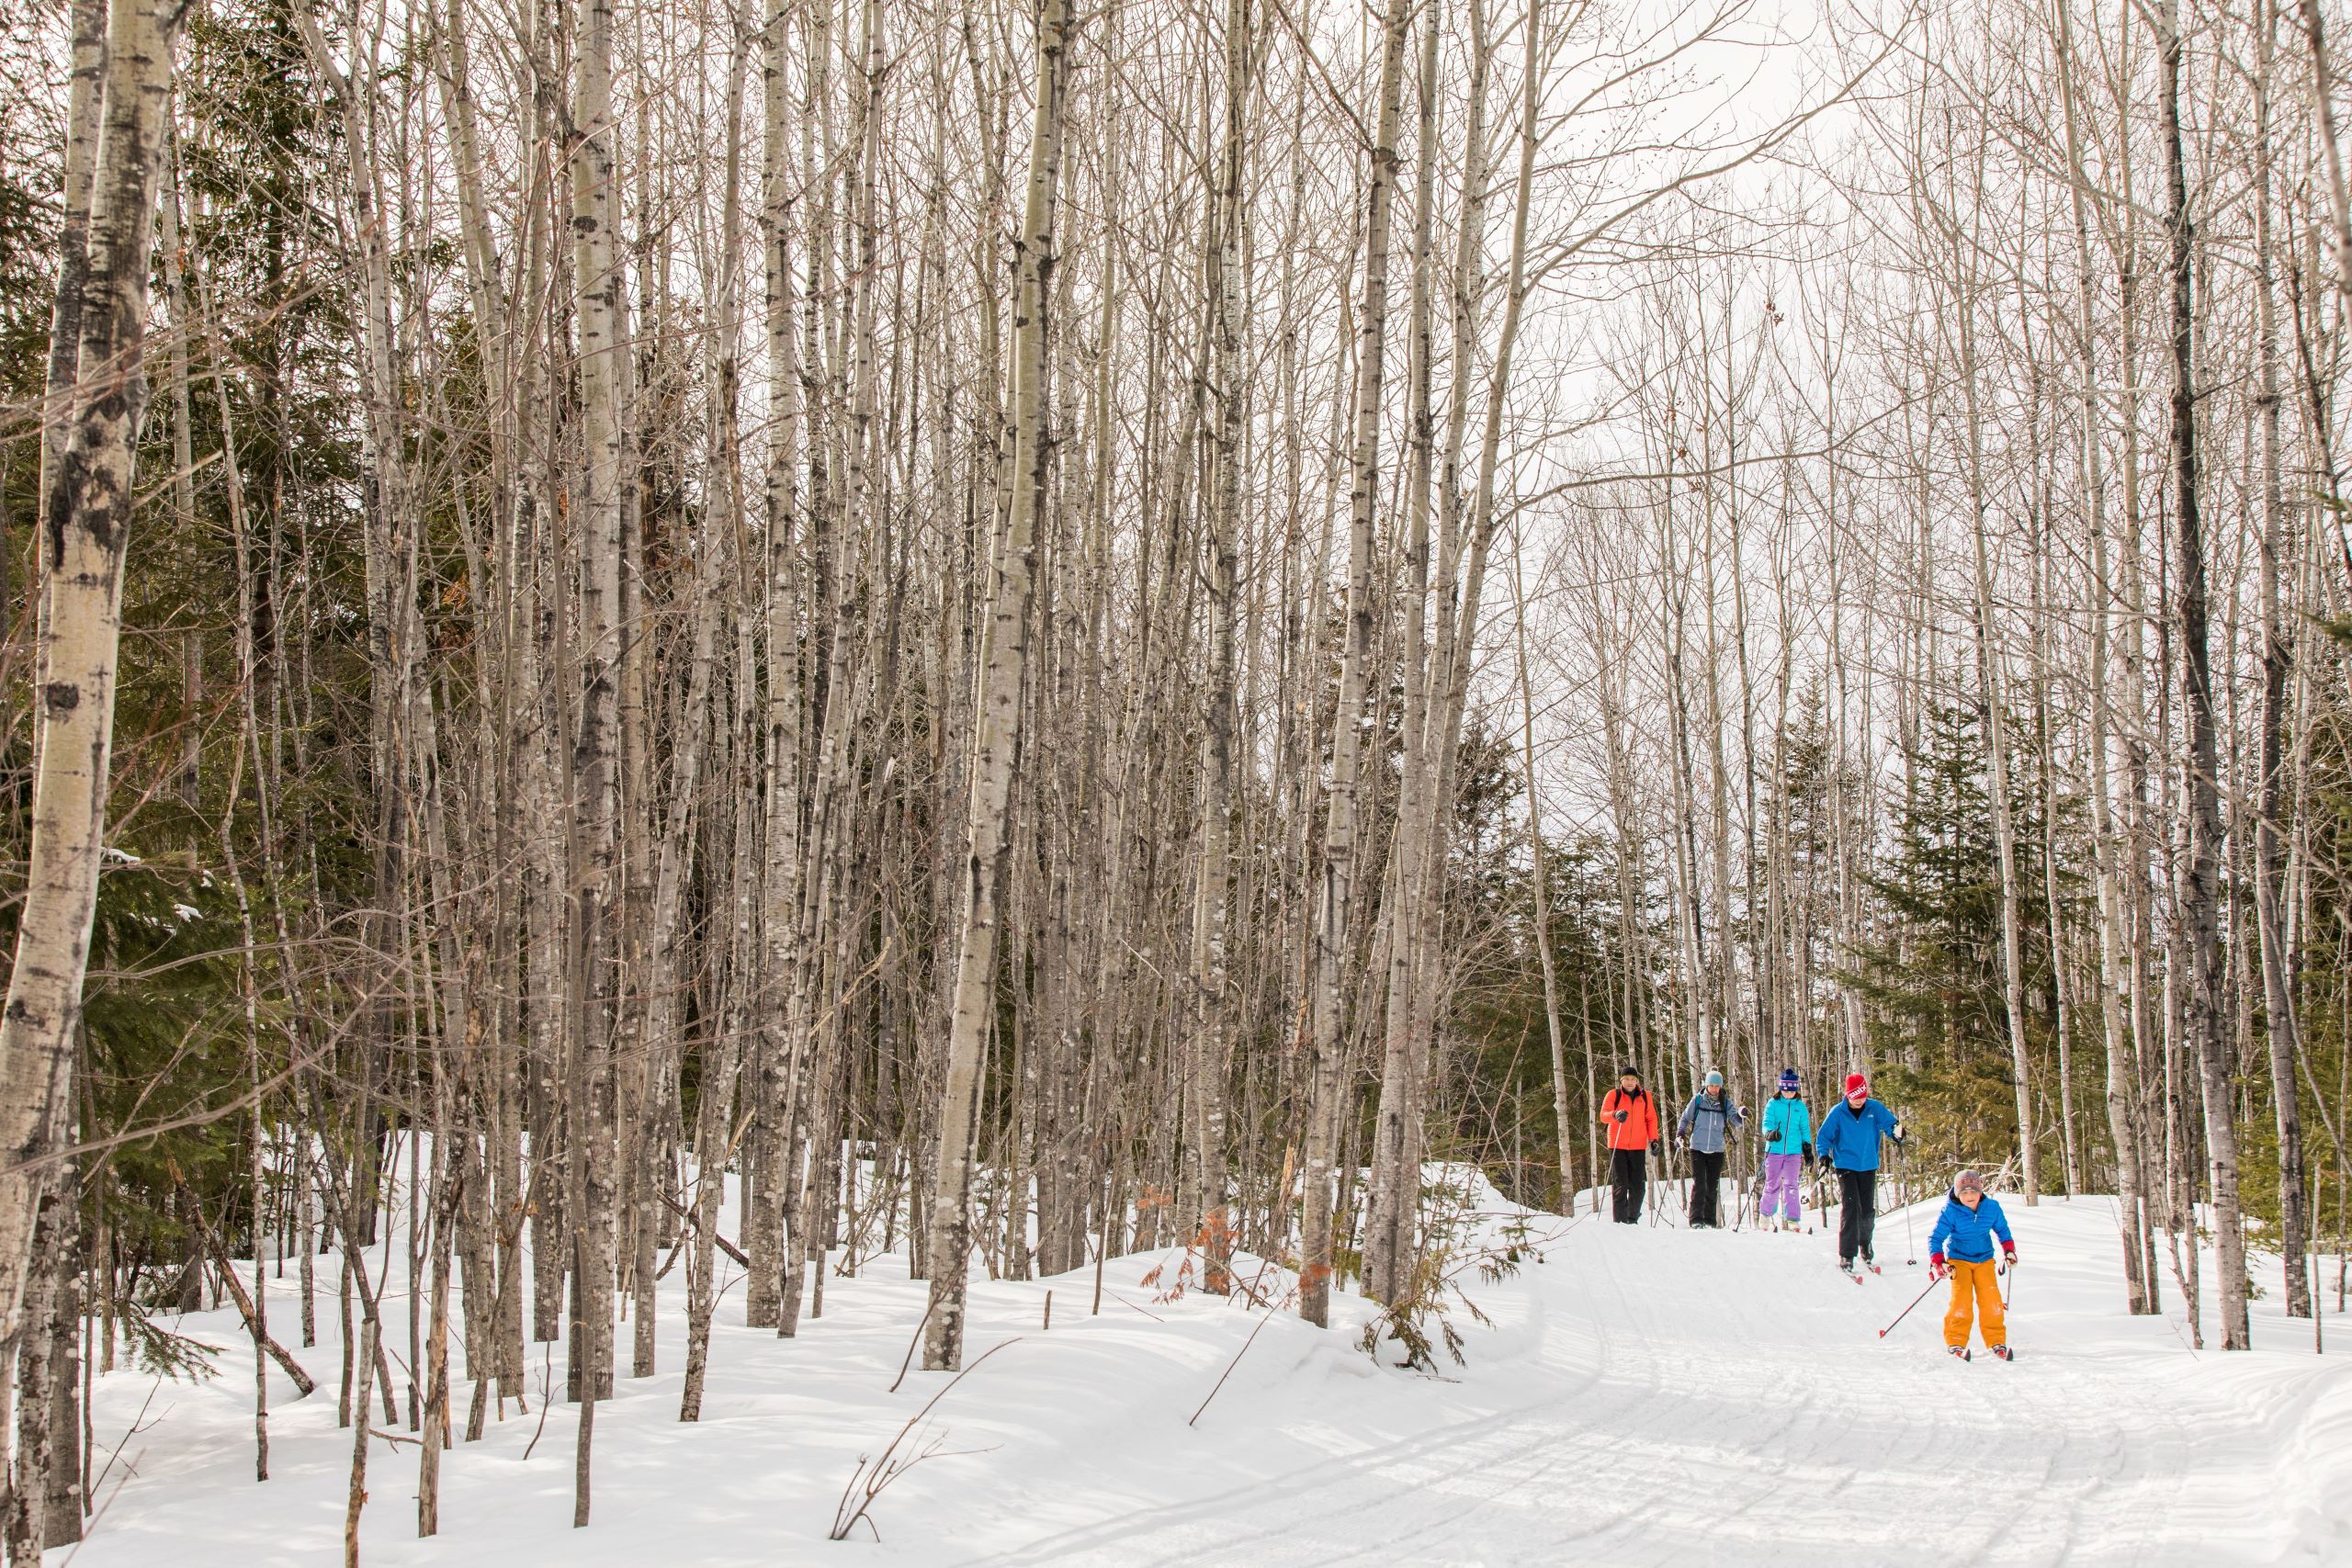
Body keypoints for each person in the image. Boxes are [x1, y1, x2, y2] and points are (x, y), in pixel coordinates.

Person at [1814, 1071, 1904, 1273]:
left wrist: (1897, 1132)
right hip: (1845, 1165)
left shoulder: (1874, 1108)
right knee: (1851, 1207)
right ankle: (1847, 1253)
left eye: (1862, 1096)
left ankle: (1865, 1243)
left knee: (1867, 1209)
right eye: (1855, 1098)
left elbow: (1891, 1125)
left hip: (1868, 1164)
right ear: (1848, 1095)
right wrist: (1824, 1157)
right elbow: (1824, 1137)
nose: (1859, 1101)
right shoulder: (1838, 1112)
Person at [1928, 1168, 2017, 1360]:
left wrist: (2009, 1251)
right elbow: (1935, 1239)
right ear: (1958, 1194)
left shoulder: (1991, 1208)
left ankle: (1996, 1340)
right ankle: (1956, 1342)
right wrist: (1939, 1262)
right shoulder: (1950, 1211)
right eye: (1964, 1193)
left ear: (1980, 1192)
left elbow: (2003, 1231)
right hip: (1958, 1261)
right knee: (1962, 1300)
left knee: (1991, 1299)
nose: (1969, 1197)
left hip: (1984, 1259)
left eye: (1973, 1192)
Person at [1676, 1070, 1745, 1227]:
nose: (1714, 1089)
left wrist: (1741, 1116)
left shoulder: (1725, 1102)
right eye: (1711, 1085)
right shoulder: (1698, 1100)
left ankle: (1709, 1221)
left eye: (1717, 1086)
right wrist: (1680, 1133)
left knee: (1712, 1186)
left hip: (1716, 1149)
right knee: (1699, 1184)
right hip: (1697, 1148)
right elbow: (1685, 1118)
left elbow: (1736, 1121)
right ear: (1706, 1085)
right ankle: (1695, 1219)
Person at [1598, 1067, 1661, 1224]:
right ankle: (1620, 1221)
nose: (1629, 1082)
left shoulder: (1645, 1096)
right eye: (1626, 1079)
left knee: (1638, 1186)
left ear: (1637, 1081)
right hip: (1617, 1144)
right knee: (1621, 1184)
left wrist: (1654, 1140)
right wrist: (1615, 1115)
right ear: (1621, 1081)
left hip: (1638, 1146)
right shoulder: (1614, 1095)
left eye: (1632, 1079)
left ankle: (1632, 1218)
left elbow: (1651, 1119)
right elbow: (1603, 1115)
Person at [1758, 1067, 1812, 1232]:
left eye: (1791, 1091)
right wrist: (1769, 1133)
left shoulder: (1800, 1107)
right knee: (1772, 1183)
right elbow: (1766, 1122)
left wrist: (1807, 1147)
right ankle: (1765, 1214)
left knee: (1791, 1184)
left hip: (1794, 1151)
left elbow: (1805, 1128)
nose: (1788, 1094)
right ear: (1781, 1089)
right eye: (1785, 1091)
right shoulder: (1773, 1104)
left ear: (1796, 1090)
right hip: (1774, 1149)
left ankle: (1793, 1218)